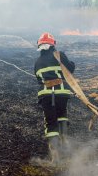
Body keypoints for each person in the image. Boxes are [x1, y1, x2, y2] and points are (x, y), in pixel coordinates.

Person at [34, 32, 75, 163]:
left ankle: (55, 155)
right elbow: (70, 69)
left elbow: (38, 78)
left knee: (51, 122)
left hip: (46, 95)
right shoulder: (59, 55)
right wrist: (71, 63)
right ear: (52, 45)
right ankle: (65, 142)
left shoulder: (38, 62)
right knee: (62, 114)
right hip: (61, 92)